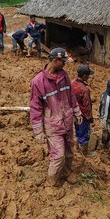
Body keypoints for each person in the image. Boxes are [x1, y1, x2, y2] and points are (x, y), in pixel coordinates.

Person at [30, 47, 84, 187]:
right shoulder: (38, 82)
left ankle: (66, 173)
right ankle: (51, 180)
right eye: (63, 61)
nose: (65, 64)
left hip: (67, 120)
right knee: (58, 155)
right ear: (55, 60)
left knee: (69, 151)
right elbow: (35, 108)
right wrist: (38, 132)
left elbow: (71, 95)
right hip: (53, 125)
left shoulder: (64, 75)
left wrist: (77, 112)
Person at [72, 65, 94, 157]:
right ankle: (85, 153)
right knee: (84, 134)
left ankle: (77, 148)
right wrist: (90, 118)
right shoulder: (84, 90)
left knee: (77, 131)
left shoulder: (72, 83)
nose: (89, 77)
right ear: (84, 76)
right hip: (83, 115)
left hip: (73, 113)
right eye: (88, 75)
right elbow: (87, 106)